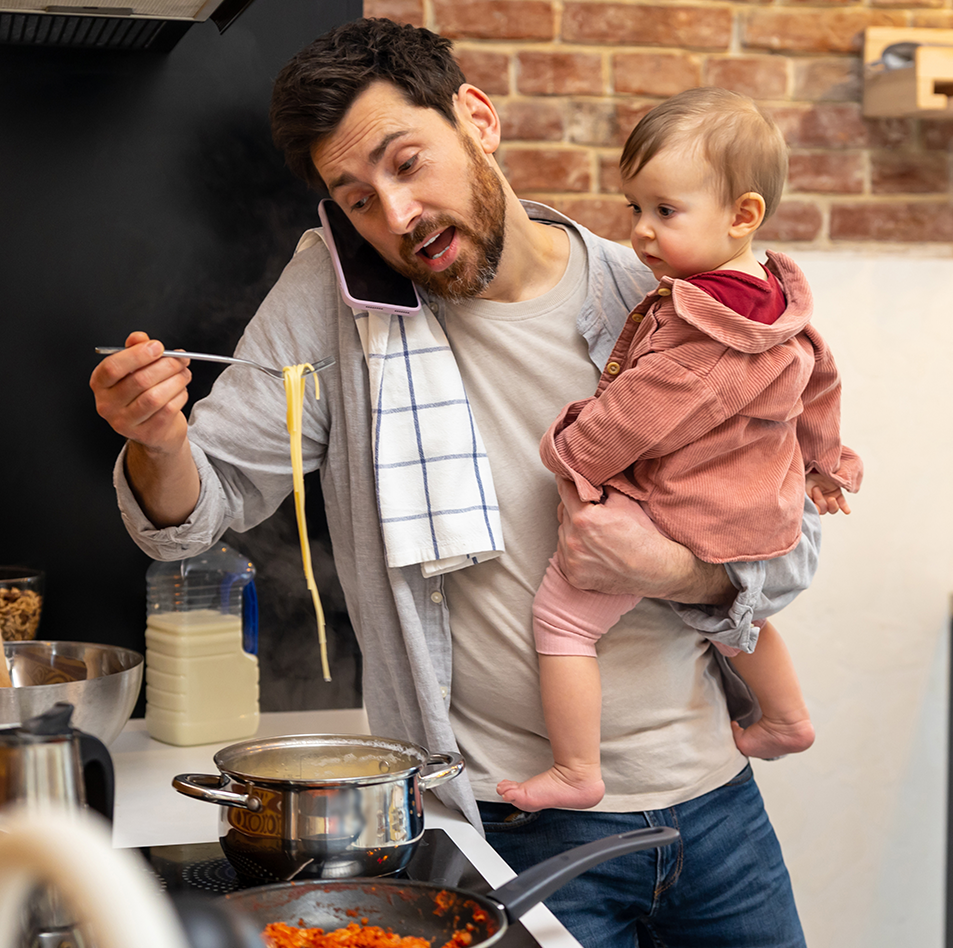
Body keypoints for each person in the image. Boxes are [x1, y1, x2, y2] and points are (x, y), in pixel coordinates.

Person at [89, 18, 823, 947]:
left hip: (717, 808)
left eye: (408, 164)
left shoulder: (652, 299)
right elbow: (201, 509)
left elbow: (789, 550)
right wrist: (157, 441)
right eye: (358, 199)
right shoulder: (336, 304)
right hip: (509, 820)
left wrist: (671, 569)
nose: (397, 217)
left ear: (477, 118)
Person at [498, 88, 862, 813]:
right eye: (635, 207)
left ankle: (576, 770)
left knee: (562, 620)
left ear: (742, 215)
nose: (640, 231)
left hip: (690, 506)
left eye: (665, 211)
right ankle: (786, 719)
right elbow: (821, 383)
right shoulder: (778, 306)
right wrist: (827, 464)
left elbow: (635, 417)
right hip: (755, 510)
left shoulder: (704, 334)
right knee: (733, 619)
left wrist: (569, 451)